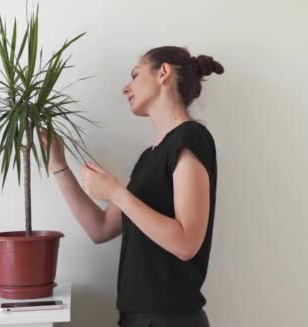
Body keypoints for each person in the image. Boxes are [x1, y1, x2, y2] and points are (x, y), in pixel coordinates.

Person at [40, 46, 224, 327]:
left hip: (170, 319)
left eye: (135, 75)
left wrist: (116, 193)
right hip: (136, 317)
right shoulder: (148, 158)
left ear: (163, 73)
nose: (126, 87)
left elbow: (187, 243)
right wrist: (58, 165)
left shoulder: (191, 137)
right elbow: (100, 229)